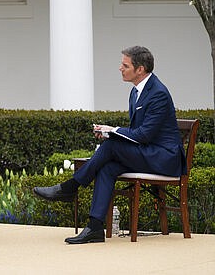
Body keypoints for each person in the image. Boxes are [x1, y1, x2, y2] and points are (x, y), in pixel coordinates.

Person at [33, 46, 185, 244]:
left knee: (111, 146)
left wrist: (113, 131)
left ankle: (70, 187)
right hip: (148, 153)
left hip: (164, 158)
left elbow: (144, 135)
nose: (120, 68)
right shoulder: (136, 91)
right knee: (107, 167)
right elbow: (138, 134)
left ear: (140, 69)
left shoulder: (158, 93)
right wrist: (109, 133)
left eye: (125, 65)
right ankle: (95, 228)